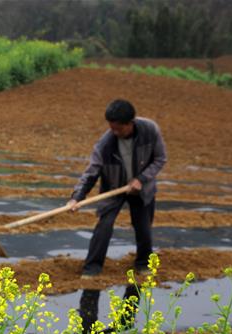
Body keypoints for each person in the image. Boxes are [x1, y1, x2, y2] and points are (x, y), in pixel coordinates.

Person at [67, 99, 167, 277]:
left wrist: (141, 179)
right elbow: (91, 172)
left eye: (118, 129)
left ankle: (143, 264)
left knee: (143, 227)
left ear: (130, 123)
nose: (114, 132)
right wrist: (77, 197)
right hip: (113, 187)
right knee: (104, 226)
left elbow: (160, 159)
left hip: (142, 188)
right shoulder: (105, 144)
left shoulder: (149, 131)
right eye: (111, 128)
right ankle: (92, 268)